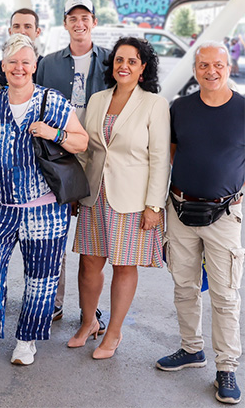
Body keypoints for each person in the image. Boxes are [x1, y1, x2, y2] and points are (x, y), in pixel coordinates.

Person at [0, 34, 88, 366]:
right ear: (4, 66)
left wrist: (54, 133)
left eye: (25, 62)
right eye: (12, 63)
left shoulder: (52, 101)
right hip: (1, 207)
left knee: (41, 278)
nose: (19, 68)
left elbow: (81, 142)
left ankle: (26, 341)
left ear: (34, 65)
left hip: (45, 208)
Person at [156, 41, 245, 405]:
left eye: (218, 65)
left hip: (224, 214)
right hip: (180, 210)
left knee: (225, 296)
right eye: (204, 65)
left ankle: (227, 366)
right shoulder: (180, 108)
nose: (211, 71)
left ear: (229, 67)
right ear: (195, 69)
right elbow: (170, 154)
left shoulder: (243, 108)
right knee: (184, 286)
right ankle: (191, 349)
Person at [71, 37, 169, 359]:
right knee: (89, 264)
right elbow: (87, 150)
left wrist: (155, 206)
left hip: (132, 200)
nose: (123, 66)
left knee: (124, 267)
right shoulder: (97, 100)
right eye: (119, 60)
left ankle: (113, 333)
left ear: (142, 69)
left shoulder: (154, 104)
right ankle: (89, 323)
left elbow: (159, 158)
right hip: (94, 196)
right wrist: (76, 190)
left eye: (132, 61)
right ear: (112, 65)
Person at [35, 0, 110, 320]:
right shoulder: (49, 63)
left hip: (99, 157)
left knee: (94, 240)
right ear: (65, 23)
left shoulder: (110, 61)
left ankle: (89, 310)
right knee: (55, 231)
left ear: (94, 22)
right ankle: (54, 300)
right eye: (73, 18)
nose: (79, 24)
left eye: (85, 18)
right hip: (59, 156)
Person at [0, 8, 43, 87]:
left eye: (27, 27)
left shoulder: (47, 67)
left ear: (37, 32)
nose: (22, 31)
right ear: (10, 32)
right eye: (16, 26)